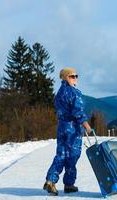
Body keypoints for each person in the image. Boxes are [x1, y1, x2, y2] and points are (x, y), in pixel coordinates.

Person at [43, 67, 92, 196]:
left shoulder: (60, 92)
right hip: (73, 129)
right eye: (72, 76)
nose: (75, 78)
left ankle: (51, 181)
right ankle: (69, 184)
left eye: (76, 76)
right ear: (65, 77)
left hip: (62, 127)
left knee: (61, 154)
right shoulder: (73, 92)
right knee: (73, 155)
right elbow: (78, 111)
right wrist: (86, 125)